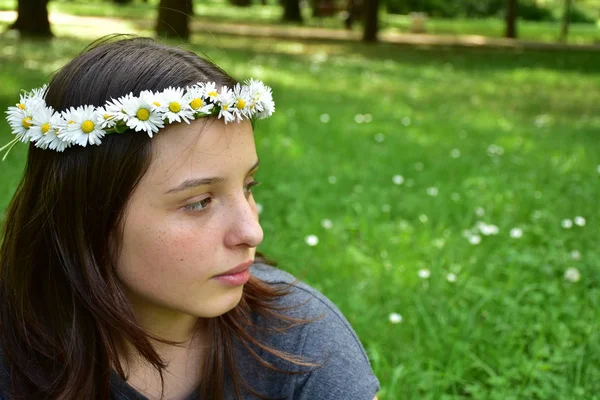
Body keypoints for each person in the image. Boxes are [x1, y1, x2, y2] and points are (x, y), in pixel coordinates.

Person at [0, 36, 380, 400]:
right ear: (84, 216)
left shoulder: (301, 341)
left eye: (248, 185)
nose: (252, 231)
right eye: (199, 202)